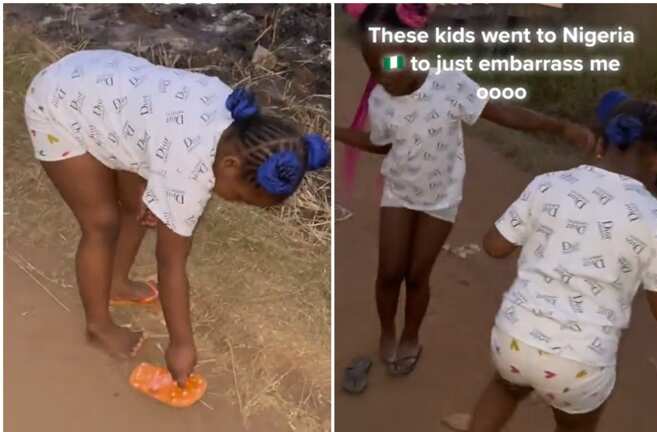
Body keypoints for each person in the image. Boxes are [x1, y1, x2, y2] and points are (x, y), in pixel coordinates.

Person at [426, 90, 657, 432]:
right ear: (654, 159)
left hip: (513, 339)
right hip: (579, 363)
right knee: (575, 430)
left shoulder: (550, 184)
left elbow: (494, 246)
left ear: (599, 140)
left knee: (503, 388)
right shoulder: (654, 219)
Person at [25, 49, 330, 389]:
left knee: (135, 203)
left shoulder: (233, 115)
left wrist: (156, 190)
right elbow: (171, 263)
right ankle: (98, 327)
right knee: (101, 223)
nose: (237, 204)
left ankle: (116, 283)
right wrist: (181, 343)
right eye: (242, 197)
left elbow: (160, 134)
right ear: (228, 166)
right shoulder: (188, 171)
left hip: (103, 86)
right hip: (58, 105)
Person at [335, 3, 594, 379]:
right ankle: (388, 330)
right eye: (372, 68)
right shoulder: (380, 99)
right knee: (389, 272)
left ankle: (411, 334)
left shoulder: (450, 83)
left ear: (416, 46)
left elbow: (503, 113)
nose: (382, 78)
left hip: (440, 199)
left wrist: (560, 128)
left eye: (388, 65)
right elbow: (382, 143)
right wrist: (339, 132)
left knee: (417, 276)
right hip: (399, 192)